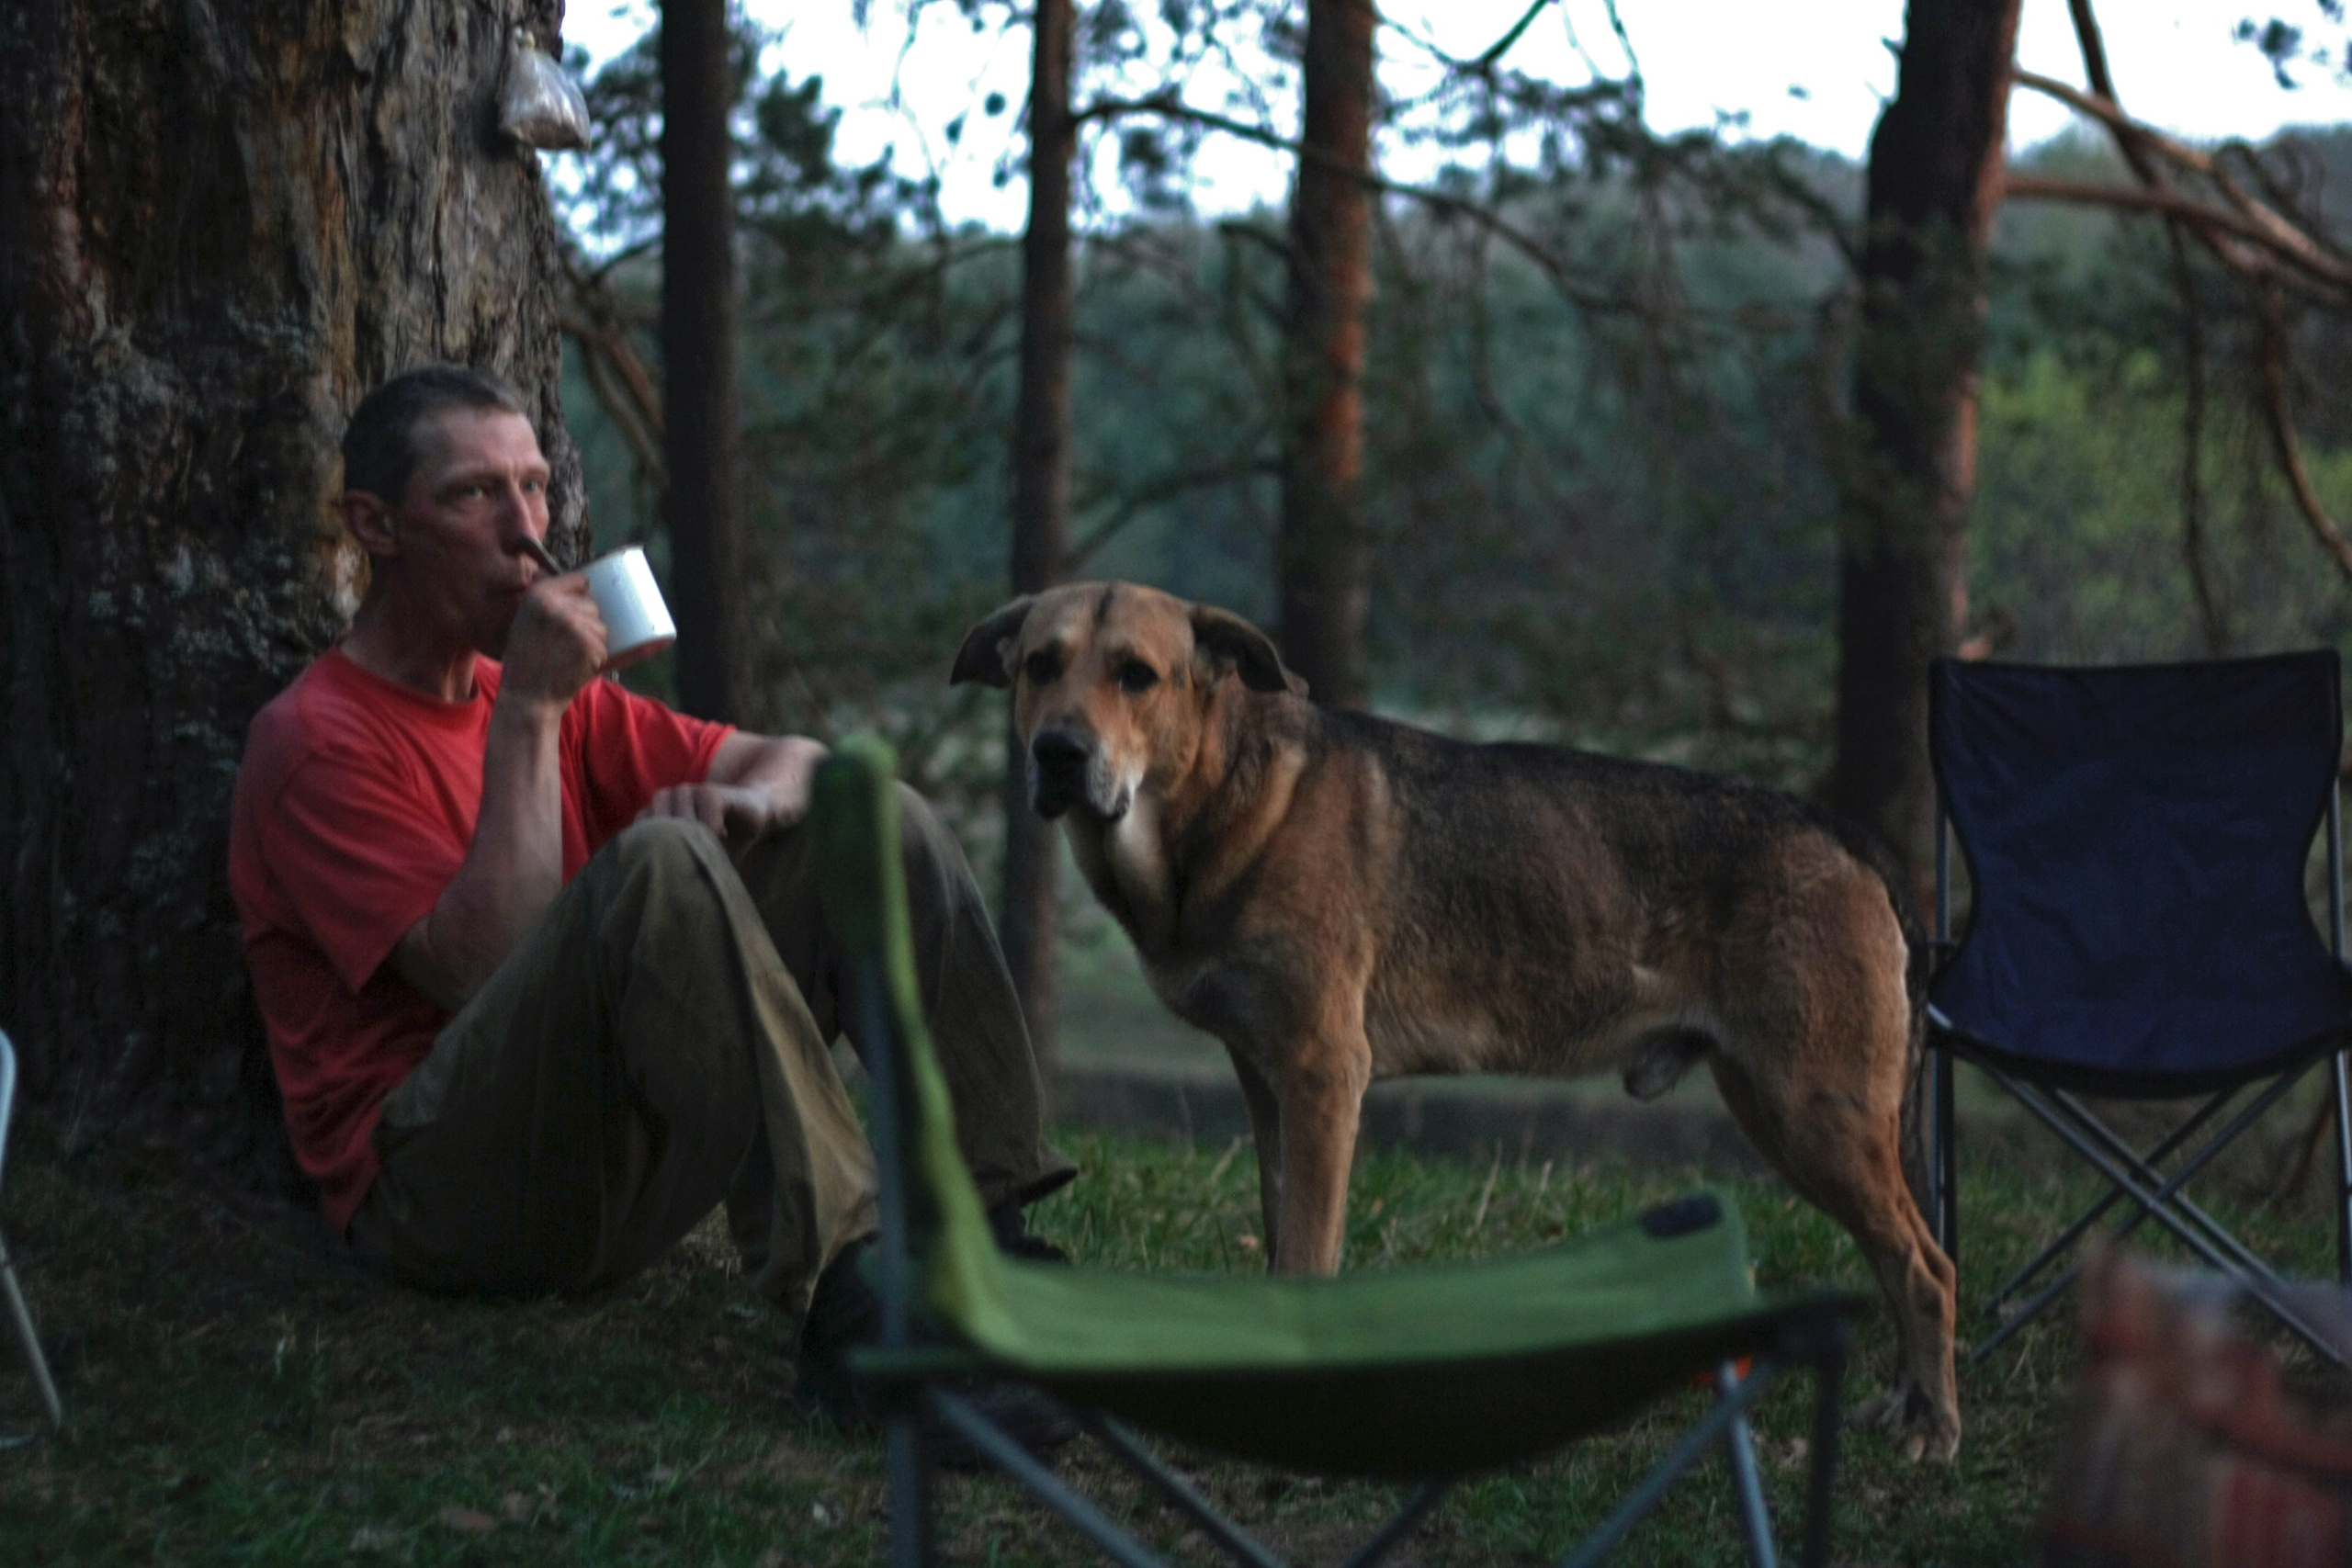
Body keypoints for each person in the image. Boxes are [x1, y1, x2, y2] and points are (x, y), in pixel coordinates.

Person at [226, 364, 1074, 1427]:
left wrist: (754, 813)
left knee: (872, 817)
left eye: (534, 486)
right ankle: (861, 1313)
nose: (527, 531)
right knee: (656, 868)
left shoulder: (541, 697)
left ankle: (985, 1249)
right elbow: (485, 974)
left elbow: (791, 755)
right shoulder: (315, 744)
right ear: (375, 525)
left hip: (603, 1171)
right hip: (439, 1201)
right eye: (474, 494)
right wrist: (531, 710)